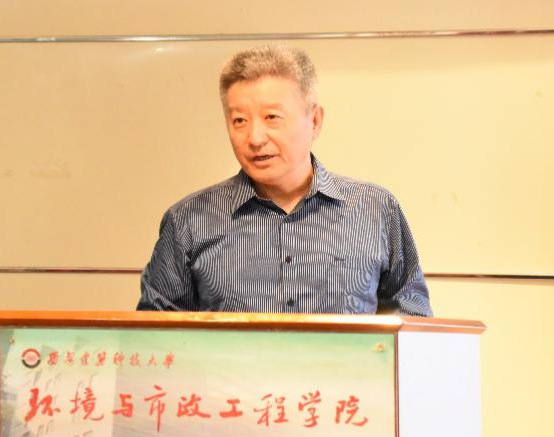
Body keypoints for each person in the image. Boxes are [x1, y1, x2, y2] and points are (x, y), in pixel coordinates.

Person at [137, 45, 432, 317]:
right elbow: (153, 337)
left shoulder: (375, 210)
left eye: (272, 117)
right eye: (239, 121)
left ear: (314, 121)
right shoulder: (187, 222)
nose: (255, 138)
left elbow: (414, 323)